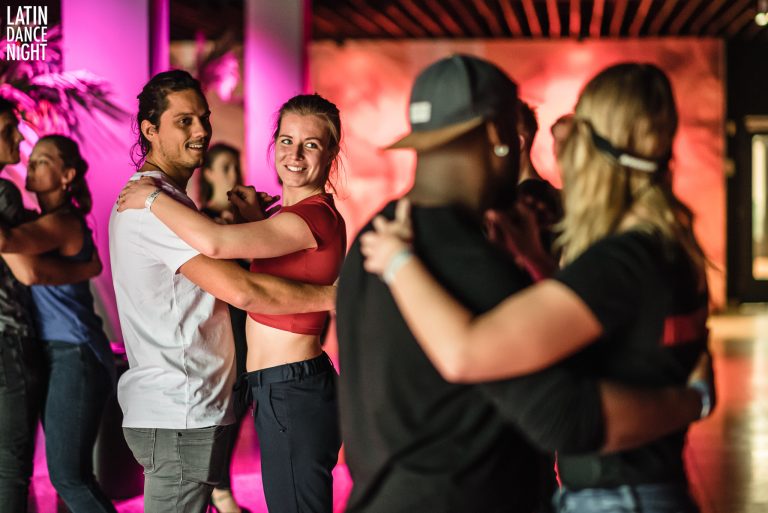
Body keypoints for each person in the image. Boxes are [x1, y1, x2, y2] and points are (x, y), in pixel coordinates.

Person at [335, 55, 709, 513]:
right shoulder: (474, 260)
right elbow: (560, 412)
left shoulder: (374, 237)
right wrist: (689, 404)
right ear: (499, 134)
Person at [109, 71, 336, 513]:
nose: (201, 131)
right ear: (149, 130)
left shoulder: (170, 200)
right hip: (181, 409)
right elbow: (243, 290)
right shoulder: (154, 204)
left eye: (203, 118)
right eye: (184, 121)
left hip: (204, 403)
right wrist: (335, 296)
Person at [0, 135, 117, 513]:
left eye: (44, 160)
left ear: (67, 175)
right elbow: (31, 269)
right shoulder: (45, 223)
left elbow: (9, 245)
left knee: (69, 477)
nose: (32, 164)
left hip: (75, 353)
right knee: (72, 474)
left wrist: (86, 267)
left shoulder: (63, 222)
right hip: (59, 353)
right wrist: (87, 267)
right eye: (32, 159)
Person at [198, 143, 248, 513]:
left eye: (237, 166)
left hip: (251, 328)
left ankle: (219, 489)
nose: (234, 174)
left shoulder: (249, 222)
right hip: (221, 329)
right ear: (210, 173)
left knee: (241, 407)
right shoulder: (202, 221)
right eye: (226, 167)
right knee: (223, 413)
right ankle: (219, 491)